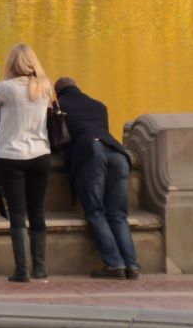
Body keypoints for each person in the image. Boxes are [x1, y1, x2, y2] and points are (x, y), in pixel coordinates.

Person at [0, 43, 55, 282]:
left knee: (18, 214)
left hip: (12, 157)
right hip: (41, 155)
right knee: (37, 212)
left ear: (12, 63)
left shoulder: (6, 89)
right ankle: (40, 268)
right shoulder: (45, 85)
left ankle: (22, 270)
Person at [54, 75, 140, 279]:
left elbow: (57, 139)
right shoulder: (99, 106)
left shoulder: (57, 106)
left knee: (95, 211)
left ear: (58, 92)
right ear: (77, 88)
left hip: (90, 153)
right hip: (117, 153)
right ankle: (132, 265)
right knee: (118, 214)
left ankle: (114, 264)